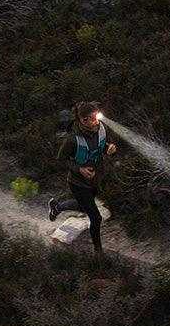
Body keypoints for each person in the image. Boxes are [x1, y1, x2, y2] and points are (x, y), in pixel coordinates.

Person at [47, 101, 118, 255]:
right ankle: (98, 252)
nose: (97, 121)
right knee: (96, 217)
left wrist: (110, 148)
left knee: (83, 206)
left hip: (95, 179)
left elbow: (107, 143)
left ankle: (57, 207)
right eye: (93, 118)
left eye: (97, 116)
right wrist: (79, 169)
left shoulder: (102, 128)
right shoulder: (72, 139)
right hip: (77, 182)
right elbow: (61, 159)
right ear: (83, 120)